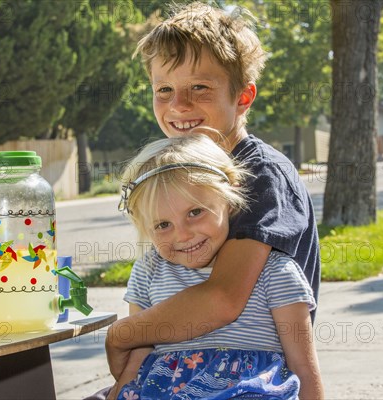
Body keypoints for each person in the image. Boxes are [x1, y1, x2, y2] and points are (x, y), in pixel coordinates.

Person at [104, 1, 321, 397]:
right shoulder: (174, 174)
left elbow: (222, 300)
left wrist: (120, 335)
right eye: (164, 89)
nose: (178, 106)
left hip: (247, 383)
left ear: (243, 96)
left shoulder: (261, 175)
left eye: (199, 88)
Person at [111, 134, 323, 399]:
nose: (183, 235)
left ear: (230, 197)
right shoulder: (149, 271)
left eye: (195, 212)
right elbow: (138, 355)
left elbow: (303, 367)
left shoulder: (275, 271)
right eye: (163, 225)